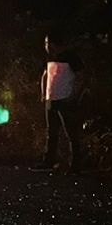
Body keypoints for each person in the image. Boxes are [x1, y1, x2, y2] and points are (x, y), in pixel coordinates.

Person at [34, 35, 85, 173]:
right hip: (52, 99)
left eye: (47, 43)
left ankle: (75, 164)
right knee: (52, 132)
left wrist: (73, 95)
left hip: (65, 99)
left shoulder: (71, 57)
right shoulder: (50, 58)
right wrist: (44, 94)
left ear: (54, 43)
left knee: (71, 132)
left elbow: (80, 76)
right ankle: (49, 161)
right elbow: (45, 75)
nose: (46, 46)